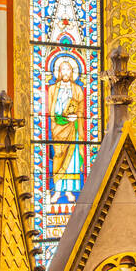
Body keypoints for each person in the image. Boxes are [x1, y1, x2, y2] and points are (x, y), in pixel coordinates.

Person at [47, 56, 86, 203]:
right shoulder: (52, 89)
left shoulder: (77, 89)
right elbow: (50, 109)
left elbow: (81, 107)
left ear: (72, 72)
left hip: (73, 128)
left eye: (68, 69)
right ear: (58, 71)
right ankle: (57, 191)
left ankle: (69, 191)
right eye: (63, 69)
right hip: (58, 128)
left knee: (73, 161)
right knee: (58, 157)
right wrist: (58, 117)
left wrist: (76, 117)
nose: (65, 72)